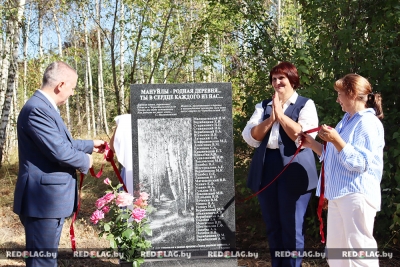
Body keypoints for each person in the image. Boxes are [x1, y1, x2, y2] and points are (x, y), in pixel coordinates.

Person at [13, 61, 106, 267]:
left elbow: (62, 143)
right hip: (42, 202)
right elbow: (60, 151)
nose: (72, 93)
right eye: (72, 88)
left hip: (48, 202)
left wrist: (90, 145)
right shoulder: (37, 109)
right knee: (42, 261)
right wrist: (86, 160)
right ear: (61, 85)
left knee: (45, 259)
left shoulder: (44, 106)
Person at [298, 74, 384, 267]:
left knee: (359, 255)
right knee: (337, 256)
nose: (337, 99)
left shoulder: (367, 123)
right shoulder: (346, 121)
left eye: (339, 94)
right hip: (340, 195)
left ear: (352, 94)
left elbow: (360, 163)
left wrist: (336, 139)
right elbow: (334, 158)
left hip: (357, 195)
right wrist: (312, 144)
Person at [242, 61, 319, 267]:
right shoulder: (263, 106)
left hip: (294, 169)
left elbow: (303, 136)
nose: (277, 82)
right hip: (267, 167)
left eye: (281, 78)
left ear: (292, 80)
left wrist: (282, 116)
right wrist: (270, 118)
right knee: (273, 225)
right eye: (274, 79)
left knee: (292, 226)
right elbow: (251, 137)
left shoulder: (305, 104)